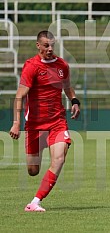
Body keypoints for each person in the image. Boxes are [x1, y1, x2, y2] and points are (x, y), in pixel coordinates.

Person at [9, 30, 81, 212]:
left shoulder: (62, 66)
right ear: (38, 45)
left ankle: (35, 202)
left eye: (52, 45)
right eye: (46, 45)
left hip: (57, 121)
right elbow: (19, 96)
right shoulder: (32, 66)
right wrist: (17, 123)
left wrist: (74, 101)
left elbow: (67, 87)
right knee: (33, 170)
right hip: (34, 125)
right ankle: (40, 148)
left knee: (59, 158)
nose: (50, 49)